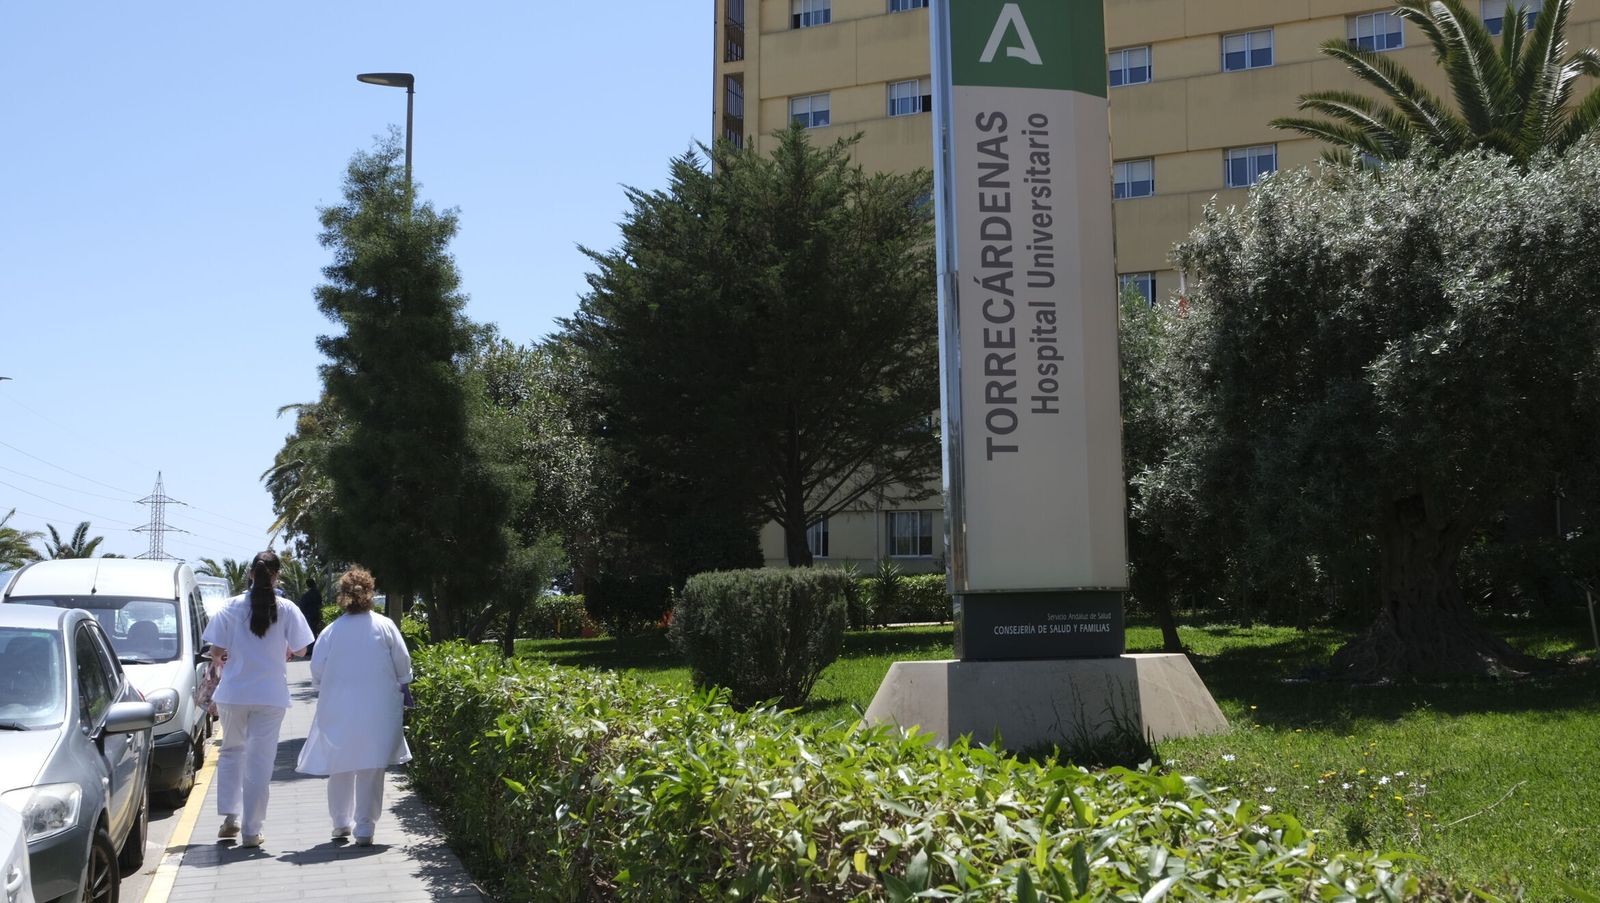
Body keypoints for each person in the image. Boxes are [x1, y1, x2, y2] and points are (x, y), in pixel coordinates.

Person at [202, 550, 313, 848]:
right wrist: (285, 648)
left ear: (251, 573)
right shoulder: (287, 608)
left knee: (231, 752)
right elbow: (303, 649)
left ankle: (230, 819)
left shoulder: (230, 606)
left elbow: (215, 650)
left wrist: (227, 655)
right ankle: (252, 830)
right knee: (260, 762)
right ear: (276, 576)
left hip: (233, 694)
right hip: (270, 695)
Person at [295, 566, 412, 846]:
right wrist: (403, 685)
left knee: (341, 764)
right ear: (371, 592)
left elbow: (317, 670)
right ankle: (365, 828)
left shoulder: (331, 631)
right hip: (378, 708)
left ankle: (340, 823)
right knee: (371, 766)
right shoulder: (385, 626)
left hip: (338, 708)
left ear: (342, 596)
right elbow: (403, 665)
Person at [297, 580, 324, 657]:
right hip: (316, 615)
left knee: (310, 633)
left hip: (308, 616)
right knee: (315, 632)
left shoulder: (306, 595)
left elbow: (302, 606)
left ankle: (310, 650)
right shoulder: (317, 593)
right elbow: (320, 604)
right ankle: (314, 649)